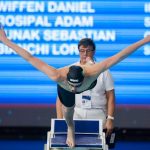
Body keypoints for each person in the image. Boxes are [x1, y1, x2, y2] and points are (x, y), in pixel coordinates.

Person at [0, 24, 150, 148]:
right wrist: (5, 40)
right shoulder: (57, 75)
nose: (75, 89)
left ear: (85, 77)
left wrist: (145, 41)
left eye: (77, 86)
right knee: (68, 111)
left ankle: (71, 124)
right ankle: (70, 128)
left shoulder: (93, 71)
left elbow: (121, 55)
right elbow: (29, 57)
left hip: (89, 94)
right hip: (64, 89)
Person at [56, 38, 115, 139]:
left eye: (88, 50)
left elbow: (111, 96)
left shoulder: (104, 71)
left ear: (94, 51)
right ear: (78, 51)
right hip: (76, 112)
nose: (85, 54)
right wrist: (60, 120)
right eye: (82, 50)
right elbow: (61, 98)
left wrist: (110, 118)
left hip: (97, 113)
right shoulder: (69, 70)